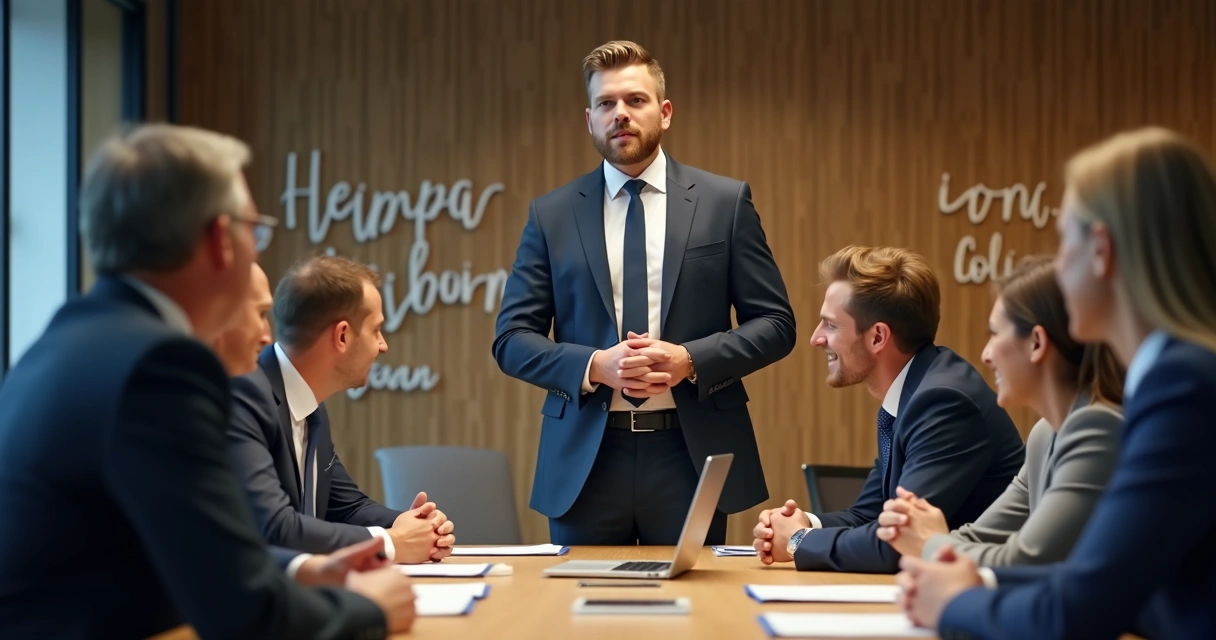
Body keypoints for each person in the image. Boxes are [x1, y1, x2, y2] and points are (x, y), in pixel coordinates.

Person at [0, 124, 414, 638]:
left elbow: (180, 547)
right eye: (254, 230)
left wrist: (299, 569)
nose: (257, 249)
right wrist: (372, 608)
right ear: (221, 240)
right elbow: (242, 613)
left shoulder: (67, 339)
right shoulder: (161, 367)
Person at [898, 127, 1216, 639]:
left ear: (1101, 250)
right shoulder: (1180, 376)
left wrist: (955, 602)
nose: (1058, 265)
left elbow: (1077, 611)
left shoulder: (1183, 386)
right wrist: (977, 579)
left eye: (1065, 238)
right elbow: (1114, 587)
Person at [492, 40, 796, 546]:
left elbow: (776, 324)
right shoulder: (552, 215)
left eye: (635, 100)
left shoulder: (724, 203)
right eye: (606, 103)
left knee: (695, 600)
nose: (621, 114)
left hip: (690, 454)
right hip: (585, 461)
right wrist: (595, 366)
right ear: (590, 119)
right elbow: (511, 339)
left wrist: (689, 360)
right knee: (581, 599)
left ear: (665, 112)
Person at [751, 246, 1025, 573]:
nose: (816, 338)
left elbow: (898, 541)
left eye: (831, 325)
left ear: (878, 337)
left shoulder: (943, 403)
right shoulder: (914, 391)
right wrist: (802, 523)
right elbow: (871, 515)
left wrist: (798, 540)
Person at [875, 255, 1124, 566]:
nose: (986, 354)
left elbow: (1024, 558)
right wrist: (926, 537)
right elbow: (978, 537)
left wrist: (930, 543)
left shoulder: (1097, 428)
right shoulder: (1044, 434)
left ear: (1036, 343)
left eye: (994, 333)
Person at [229, 255, 455, 562]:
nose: (383, 345)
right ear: (343, 336)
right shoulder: (245, 394)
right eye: (376, 330)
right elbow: (275, 527)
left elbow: (347, 507)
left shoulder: (312, 407)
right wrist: (391, 542)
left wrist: (414, 525)